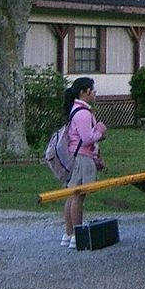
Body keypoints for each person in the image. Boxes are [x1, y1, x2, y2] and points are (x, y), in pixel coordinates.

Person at [60, 77, 107, 249]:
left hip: (77, 155)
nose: (94, 93)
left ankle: (69, 233)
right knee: (79, 195)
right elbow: (87, 138)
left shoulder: (76, 110)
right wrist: (100, 131)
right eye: (92, 89)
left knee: (72, 194)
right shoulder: (83, 113)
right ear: (83, 92)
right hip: (82, 157)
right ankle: (76, 233)